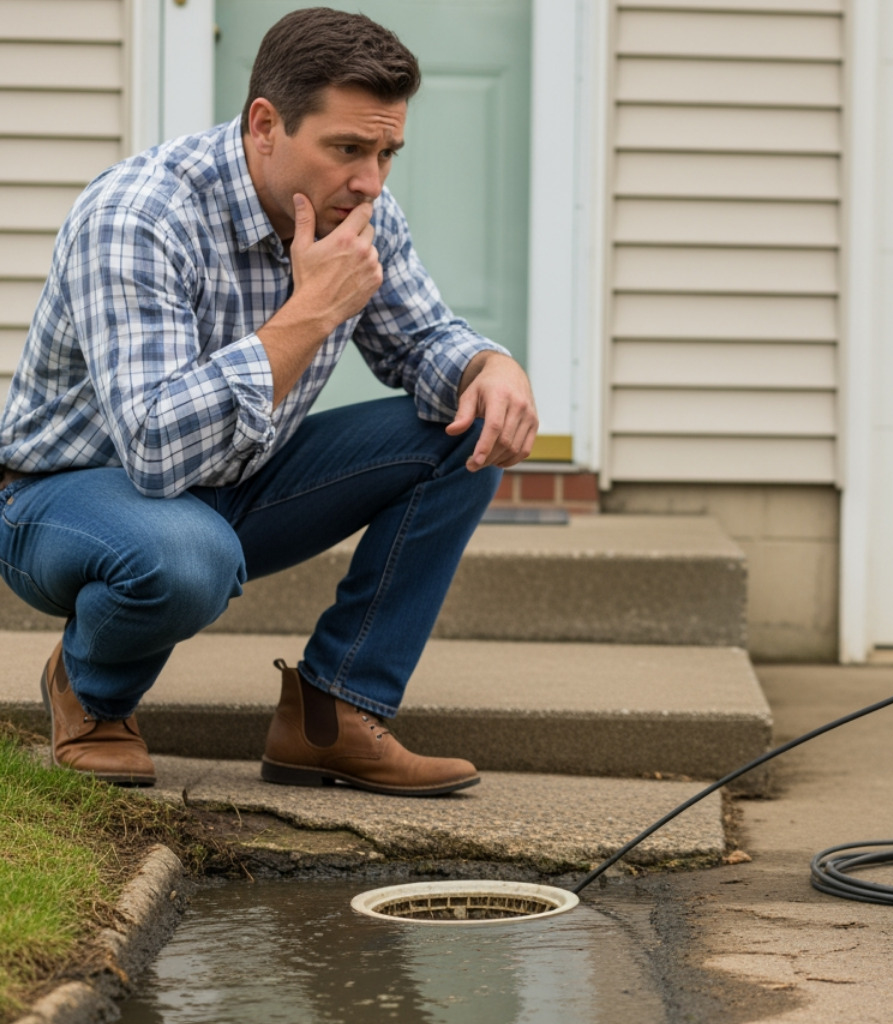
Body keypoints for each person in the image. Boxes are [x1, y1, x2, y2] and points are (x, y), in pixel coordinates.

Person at [0, 7, 538, 796]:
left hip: (232, 482)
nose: (371, 181)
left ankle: (333, 714)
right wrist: (310, 312)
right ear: (264, 125)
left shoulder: (361, 212)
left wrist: (489, 365)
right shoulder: (140, 216)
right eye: (348, 149)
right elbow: (154, 450)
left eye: (387, 152)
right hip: (66, 497)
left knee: (466, 431)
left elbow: (422, 341)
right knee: (186, 553)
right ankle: (94, 692)